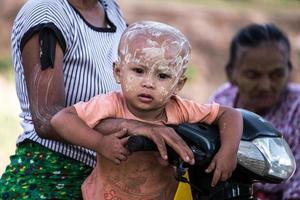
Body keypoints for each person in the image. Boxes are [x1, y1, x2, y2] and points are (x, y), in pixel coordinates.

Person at [0, 1, 194, 199]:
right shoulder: (48, 10)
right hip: (50, 176)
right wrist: (136, 127)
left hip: (106, 177)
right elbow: (47, 118)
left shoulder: (111, 10)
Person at [51, 20, 243, 200]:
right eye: (138, 71)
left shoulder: (179, 108)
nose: (148, 83)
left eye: (162, 75)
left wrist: (228, 151)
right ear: (118, 72)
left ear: (179, 84)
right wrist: (100, 143)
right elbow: (61, 119)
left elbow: (229, 114)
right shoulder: (110, 104)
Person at [210, 23, 300, 200]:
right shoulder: (222, 99)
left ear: (289, 71)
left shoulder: (297, 107)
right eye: (253, 75)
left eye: (276, 74)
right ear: (231, 73)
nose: (265, 85)